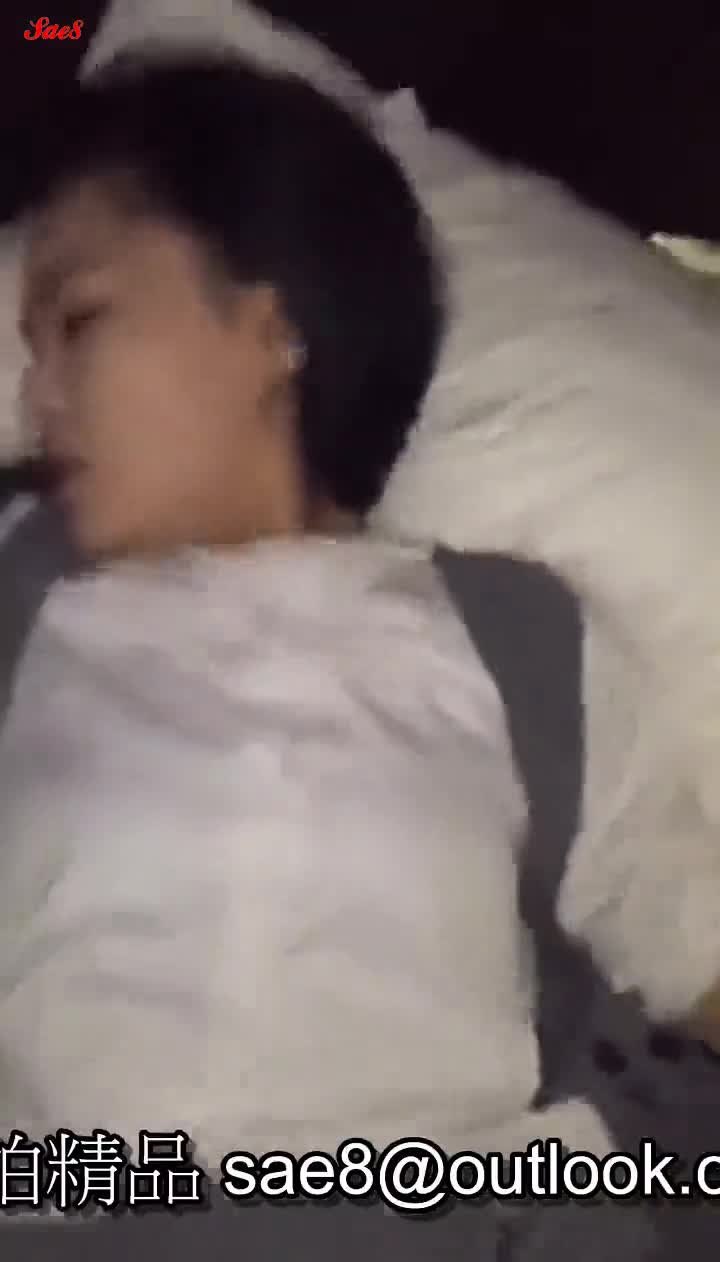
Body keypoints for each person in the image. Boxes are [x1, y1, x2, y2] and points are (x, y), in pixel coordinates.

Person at [0, 51, 613, 1183]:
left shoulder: (519, 633)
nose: (38, 402)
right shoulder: (24, 590)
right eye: (29, 353)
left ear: (272, 326)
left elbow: (685, 923)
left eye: (78, 322)